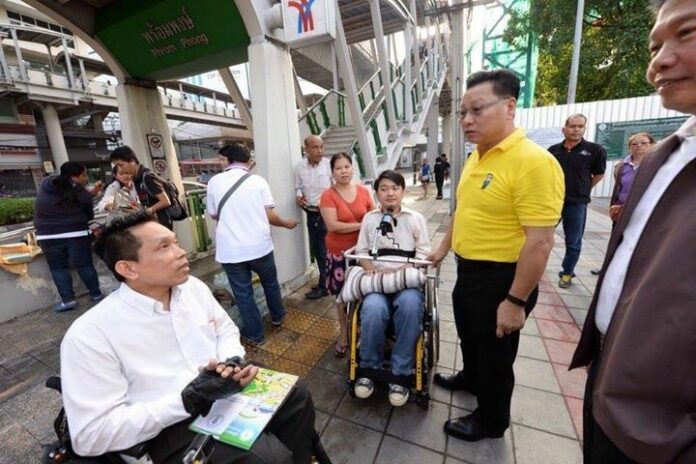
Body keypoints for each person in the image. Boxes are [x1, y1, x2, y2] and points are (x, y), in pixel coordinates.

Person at [60, 211, 321, 463]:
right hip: (166, 427)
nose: (181, 252)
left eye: (175, 242)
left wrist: (230, 358)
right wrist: (186, 399)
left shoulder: (192, 288)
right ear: (128, 268)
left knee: (296, 396)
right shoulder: (90, 335)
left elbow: (225, 329)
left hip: (221, 389)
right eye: (164, 247)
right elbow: (89, 437)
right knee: (269, 457)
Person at [571, 1, 696, 462]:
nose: (659, 61)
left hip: (666, 431)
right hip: (611, 382)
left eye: (687, 33)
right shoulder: (667, 154)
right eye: (656, 43)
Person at [428, 69, 564, 441]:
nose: (467, 120)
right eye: (463, 112)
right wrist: (442, 249)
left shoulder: (533, 162)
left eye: (477, 110)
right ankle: (471, 379)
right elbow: (464, 210)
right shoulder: (478, 157)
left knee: (496, 355)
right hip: (468, 271)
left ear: (508, 107)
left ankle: (491, 421)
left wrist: (516, 301)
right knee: (473, 337)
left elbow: (540, 243)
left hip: (503, 278)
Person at [353, 170, 431, 407]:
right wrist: (370, 269)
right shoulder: (370, 219)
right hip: (376, 280)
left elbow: (424, 254)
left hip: (405, 280)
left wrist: (400, 274)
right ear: (377, 193)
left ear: (402, 192)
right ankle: (368, 369)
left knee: (409, 305)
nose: (390, 193)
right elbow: (362, 252)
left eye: (395, 188)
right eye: (384, 188)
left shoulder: (415, 218)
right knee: (373, 308)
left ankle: (401, 373)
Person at [207, 143, 298, 346]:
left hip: (231, 251)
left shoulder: (214, 182)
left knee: (243, 294)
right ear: (247, 161)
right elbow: (270, 215)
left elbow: (214, 213)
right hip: (259, 247)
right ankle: (278, 317)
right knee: (270, 283)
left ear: (228, 161)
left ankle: (255, 335)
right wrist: (286, 224)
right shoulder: (258, 181)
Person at [319, 153, 375, 358]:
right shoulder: (328, 195)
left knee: (366, 290)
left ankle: (365, 327)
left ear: (352, 168)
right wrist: (363, 225)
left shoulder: (363, 191)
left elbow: (374, 215)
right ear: (332, 172)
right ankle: (343, 332)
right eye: (338, 168)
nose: (344, 171)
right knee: (342, 295)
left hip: (363, 252)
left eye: (347, 167)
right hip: (339, 253)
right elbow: (333, 225)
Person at [34, 162, 104, 312]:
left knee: (58, 268)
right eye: (84, 175)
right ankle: (96, 295)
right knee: (84, 265)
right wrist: (89, 195)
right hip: (76, 233)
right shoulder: (81, 192)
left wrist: (89, 193)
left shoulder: (46, 183)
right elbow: (89, 216)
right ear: (74, 176)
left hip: (47, 235)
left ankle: (68, 301)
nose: (86, 179)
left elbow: (64, 196)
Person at [548, 115, 607, 288]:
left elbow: (599, 174)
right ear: (564, 129)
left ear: (584, 128)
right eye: (572, 126)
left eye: (580, 126)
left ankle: (567, 273)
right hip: (553, 202)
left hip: (577, 203)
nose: (576, 129)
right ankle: (536, 267)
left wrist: (584, 189)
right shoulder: (553, 150)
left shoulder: (595, 150)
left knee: (573, 241)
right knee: (541, 237)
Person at [294, 135, 332, 300]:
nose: (320, 151)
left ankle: (325, 286)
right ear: (306, 149)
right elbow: (298, 187)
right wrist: (299, 195)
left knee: (324, 251)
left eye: (321, 147)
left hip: (327, 213)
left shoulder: (329, 164)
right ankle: (325, 281)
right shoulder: (299, 167)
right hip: (311, 213)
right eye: (315, 147)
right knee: (317, 250)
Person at [109, 146, 173, 229]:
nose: (120, 169)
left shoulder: (147, 177)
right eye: (117, 166)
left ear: (132, 161)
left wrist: (146, 212)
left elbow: (165, 201)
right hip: (152, 222)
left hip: (161, 223)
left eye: (121, 165)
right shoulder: (137, 178)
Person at [609, 132, 655, 224]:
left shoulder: (658, 165)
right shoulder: (621, 166)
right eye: (634, 144)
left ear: (652, 145)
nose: (639, 145)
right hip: (622, 210)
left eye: (643, 143)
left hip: (647, 211)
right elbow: (620, 188)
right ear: (629, 147)